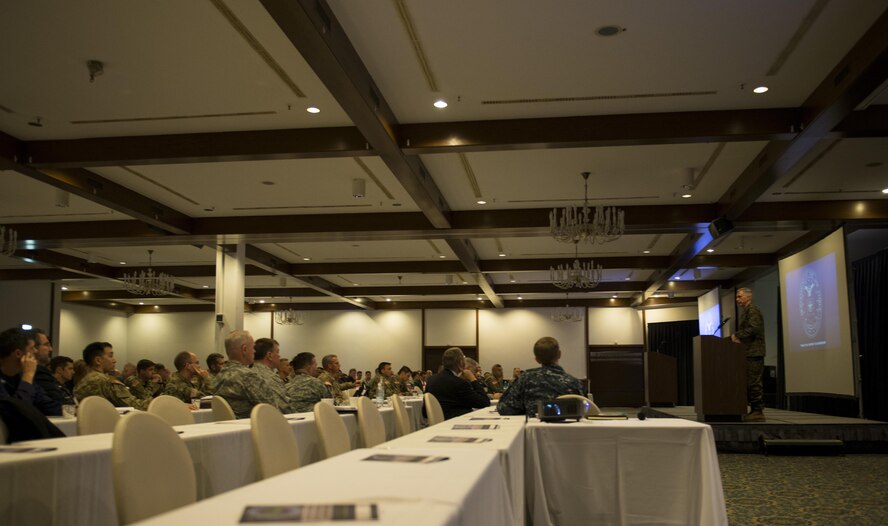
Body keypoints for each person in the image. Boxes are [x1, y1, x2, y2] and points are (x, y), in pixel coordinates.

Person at [497, 337, 583, 416]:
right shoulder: (574, 383)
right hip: (568, 431)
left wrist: (528, 409)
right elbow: (585, 410)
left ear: (537, 359)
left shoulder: (525, 378)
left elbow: (504, 408)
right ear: (559, 354)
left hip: (535, 431)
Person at [209, 330, 277, 419]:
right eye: (253, 347)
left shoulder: (218, 376)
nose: (254, 351)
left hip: (228, 429)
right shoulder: (248, 376)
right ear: (244, 349)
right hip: (250, 428)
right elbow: (271, 409)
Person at [0, 328, 62, 416]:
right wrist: (28, 375)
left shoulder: (19, 375)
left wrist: (73, 410)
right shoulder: (26, 375)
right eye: (32, 348)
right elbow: (15, 413)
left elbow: (48, 406)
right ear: (18, 353)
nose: (36, 351)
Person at [74, 341, 151, 410]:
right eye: (110, 356)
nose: (114, 360)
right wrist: (158, 401)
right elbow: (135, 406)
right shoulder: (104, 381)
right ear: (98, 360)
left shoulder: (84, 380)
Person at [424, 348, 490, 420]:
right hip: (458, 422)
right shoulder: (460, 383)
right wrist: (473, 379)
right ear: (461, 363)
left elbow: (424, 411)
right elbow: (484, 402)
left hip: (437, 424)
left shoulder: (431, 380)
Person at [732, 287, 766, 422]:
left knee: (754, 382)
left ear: (748, 297)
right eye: (737, 297)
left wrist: (736, 335)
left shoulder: (753, 310)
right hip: (748, 351)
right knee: (749, 382)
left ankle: (758, 411)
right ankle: (753, 410)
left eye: (740, 297)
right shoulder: (746, 312)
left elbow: (753, 329)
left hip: (754, 351)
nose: (737, 300)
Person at [31, 328, 73, 406]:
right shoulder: (38, 373)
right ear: (34, 348)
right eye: (46, 345)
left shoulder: (43, 372)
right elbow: (55, 403)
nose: (51, 349)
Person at [252, 338, 290, 412]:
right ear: (270, 355)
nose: (279, 356)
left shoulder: (247, 372)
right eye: (277, 352)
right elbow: (284, 409)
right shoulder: (270, 378)